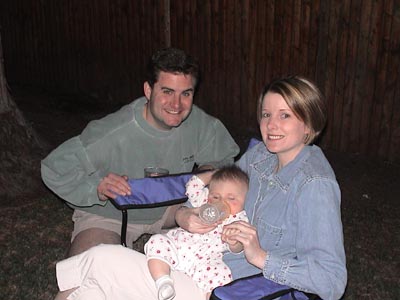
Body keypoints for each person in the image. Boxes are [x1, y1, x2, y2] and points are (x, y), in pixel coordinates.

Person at [54, 75, 347, 300]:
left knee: (103, 260)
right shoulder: (260, 157)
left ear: (309, 123)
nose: (271, 125)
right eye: (266, 114)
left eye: (285, 115)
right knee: (91, 290)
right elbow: (214, 192)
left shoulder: (314, 185)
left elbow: (331, 280)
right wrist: (184, 215)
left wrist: (261, 257)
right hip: (191, 259)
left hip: (222, 286)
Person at [41, 47, 240, 257]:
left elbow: (224, 158)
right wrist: (97, 188)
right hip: (112, 214)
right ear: (148, 90)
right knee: (88, 274)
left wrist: (205, 177)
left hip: (169, 209)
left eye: (186, 94)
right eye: (167, 92)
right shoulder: (114, 131)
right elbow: (54, 168)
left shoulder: (199, 123)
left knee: (216, 252)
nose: (176, 104)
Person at [145, 165, 249, 300]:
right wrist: (215, 174)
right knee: (157, 241)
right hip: (178, 246)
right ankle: (163, 282)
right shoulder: (203, 201)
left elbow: (239, 247)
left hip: (205, 260)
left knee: (221, 274)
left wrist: (234, 243)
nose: (222, 203)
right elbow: (192, 185)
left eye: (231, 198)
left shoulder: (239, 219)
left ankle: (208, 296)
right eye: (216, 197)